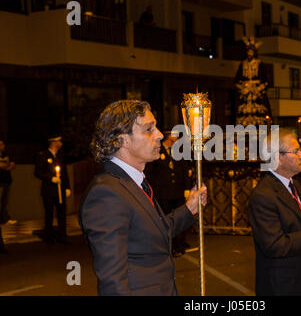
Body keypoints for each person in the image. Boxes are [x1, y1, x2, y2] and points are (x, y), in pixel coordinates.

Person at [80, 100, 207, 296]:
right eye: (149, 129)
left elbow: (155, 232)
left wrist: (189, 209)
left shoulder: (134, 182)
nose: (159, 135)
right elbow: (113, 283)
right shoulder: (107, 194)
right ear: (123, 140)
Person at [248, 128, 301, 296]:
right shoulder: (263, 195)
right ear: (278, 158)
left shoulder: (295, 185)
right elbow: (274, 245)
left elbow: (300, 228)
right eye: (296, 151)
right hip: (283, 286)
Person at [144, 130, 192, 257]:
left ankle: (179, 245)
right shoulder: (157, 151)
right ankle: (167, 246)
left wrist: (187, 188)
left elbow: (184, 170)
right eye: (174, 135)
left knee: (181, 217)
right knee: (165, 219)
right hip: (163, 193)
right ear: (168, 136)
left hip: (177, 191)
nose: (176, 137)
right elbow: (150, 173)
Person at [34, 136, 71, 244]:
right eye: (59, 141)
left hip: (61, 189)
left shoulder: (61, 155)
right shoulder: (42, 155)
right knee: (49, 214)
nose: (61, 143)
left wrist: (67, 187)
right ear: (54, 142)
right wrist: (51, 178)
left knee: (62, 213)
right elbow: (38, 172)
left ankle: (62, 236)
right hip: (49, 190)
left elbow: (64, 173)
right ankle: (49, 237)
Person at [235, 37, 271, 126]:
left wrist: (259, 88)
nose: (249, 53)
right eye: (248, 51)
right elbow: (237, 78)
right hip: (245, 90)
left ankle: (259, 123)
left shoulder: (259, 63)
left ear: (254, 53)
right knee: (244, 109)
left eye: (251, 51)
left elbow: (265, 78)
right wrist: (242, 87)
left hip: (256, 90)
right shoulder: (243, 63)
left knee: (258, 108)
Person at [0, 139, 16, 225]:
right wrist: (6, 165)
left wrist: (5, 166)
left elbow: (12, 165)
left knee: (5, 201)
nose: (1, 146)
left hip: (6, 181)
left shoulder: (7, 155)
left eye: (2, 144)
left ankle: (5, 219)